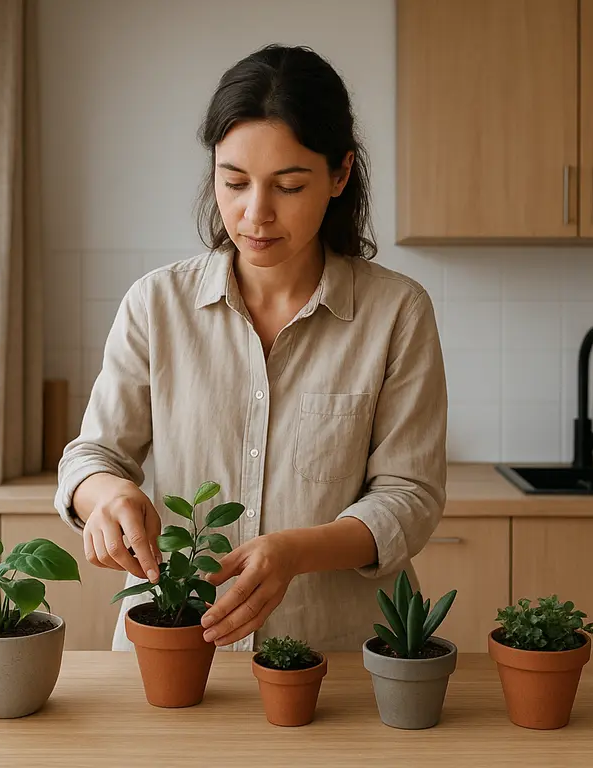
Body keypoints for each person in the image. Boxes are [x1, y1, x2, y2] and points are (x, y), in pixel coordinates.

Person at [54, 44, 447, 653]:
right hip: (177, 649)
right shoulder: (156, 305)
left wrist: (296, 551)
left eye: (289, 185)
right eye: (233, 182)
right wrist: (109, 495)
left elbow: (410, 497)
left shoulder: (397, 312)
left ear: (340, 175)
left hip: (337, 661)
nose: (255, 214)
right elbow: (93, 455)